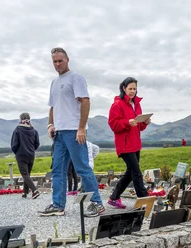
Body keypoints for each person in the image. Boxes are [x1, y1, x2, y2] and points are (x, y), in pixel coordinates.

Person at [41, 47, 105, 217]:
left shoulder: (75, 78)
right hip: (60, 133)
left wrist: (82, 128)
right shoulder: (54, 83)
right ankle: (58, 205)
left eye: (60, 60)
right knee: (58, 170)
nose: (57, 64)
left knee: (82, 168)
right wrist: (50, 125)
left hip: (74, 131)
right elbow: (53, 106)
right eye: (54, 61)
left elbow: (85, 101)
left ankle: (97, 203)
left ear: (67, 59)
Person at [107, 77, 151, 209]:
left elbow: (140, 127)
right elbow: (113, 124)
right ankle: (144, 201)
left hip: (135, 143)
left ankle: (114, 197)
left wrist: (145, 123)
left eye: (134, 89)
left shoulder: (136, 104)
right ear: (124, 88)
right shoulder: (117, 105)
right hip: (125, 145)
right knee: (136, 172)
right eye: (130, 88)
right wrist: (127, 123)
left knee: (130, 173)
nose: (132, 91)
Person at [11, 112, 40, 199]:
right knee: (27, 174)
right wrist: (32, 149)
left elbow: (14, 144)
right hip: (31, 155)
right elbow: (37, 143)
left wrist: (16, 152)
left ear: (21, 119)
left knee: (24, 174)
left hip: (21, 155)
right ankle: (25, 192)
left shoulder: (17, 130)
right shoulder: (34, 131)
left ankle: (35, 191)